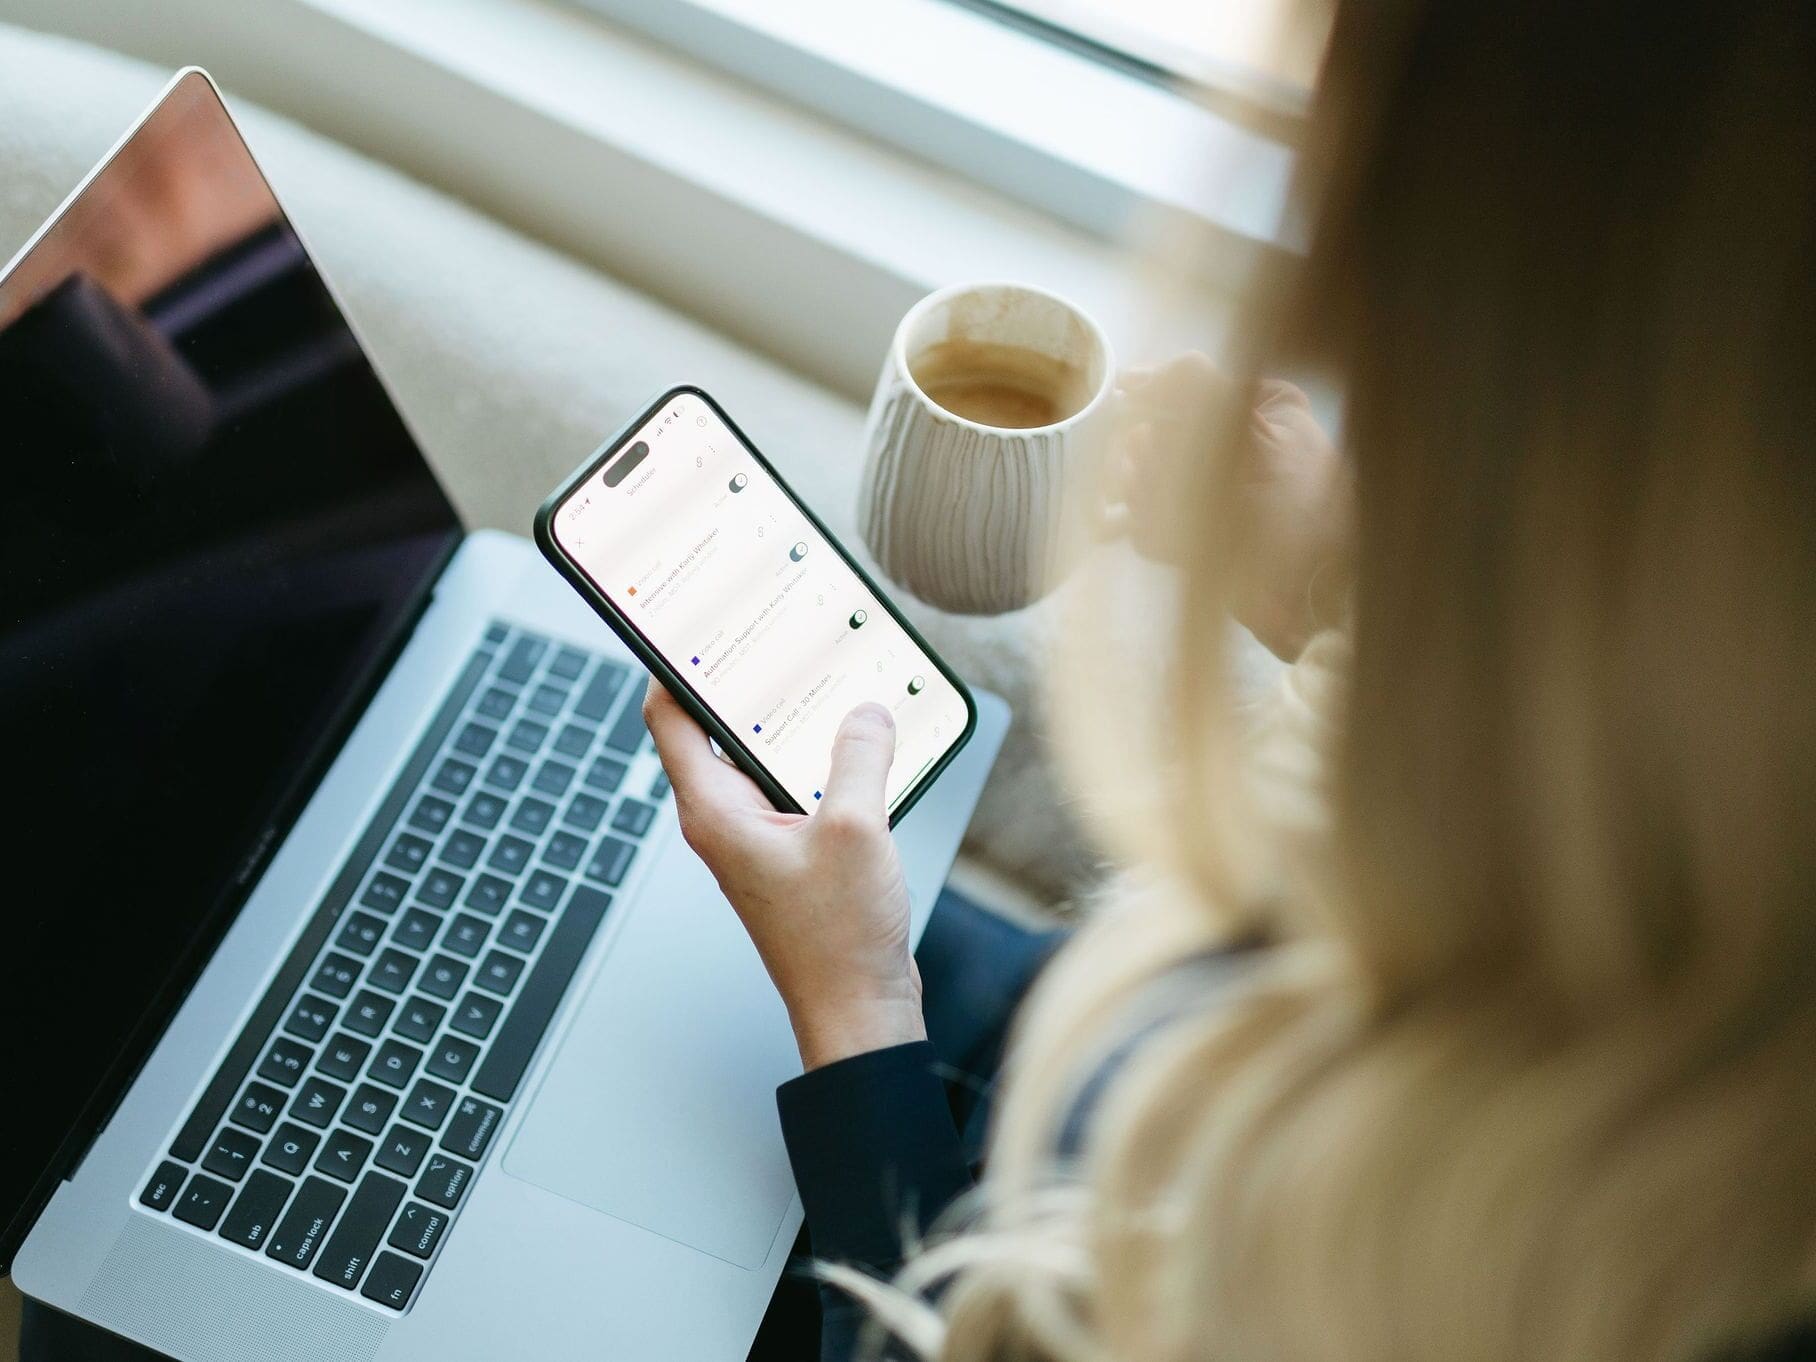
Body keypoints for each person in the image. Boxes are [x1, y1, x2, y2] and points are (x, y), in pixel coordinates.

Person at [651, 3, 1816, 1360]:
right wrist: (1349, 605)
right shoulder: (1703, 812)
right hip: (1078, 1076)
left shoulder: (1511, 1255)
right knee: (650, 890)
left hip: (955, 1239)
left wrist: (856, 1010)